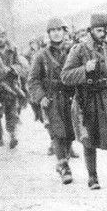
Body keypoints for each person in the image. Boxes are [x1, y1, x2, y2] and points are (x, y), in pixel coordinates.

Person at [61, 14, 107, 193]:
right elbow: (65, 76)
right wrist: (85, 70)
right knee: (88, 139)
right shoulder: (79, 50)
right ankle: (92, 176)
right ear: (91, 31)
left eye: (106, 30)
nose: (103, 34)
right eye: (99, 30)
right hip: (87, 100)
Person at [27, 18, 76, 184]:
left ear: (64, 32)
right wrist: (41, 97)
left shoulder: (72, 50)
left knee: (70, 133)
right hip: (52, 98)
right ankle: (64, 166)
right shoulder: (41, 55)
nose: (56, 33)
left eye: (59, 30)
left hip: (70, 96)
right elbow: (33, 80)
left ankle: (64, 160)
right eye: (52, 30)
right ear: (48, 34)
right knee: (57, 132)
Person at [0, 27, 27, 149]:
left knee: (11, 111)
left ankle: (13, 135)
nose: (0, 39)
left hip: (10, 84)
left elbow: (20, 64)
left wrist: (11, 69)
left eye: (2, 37)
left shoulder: (12, 49)